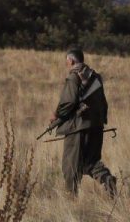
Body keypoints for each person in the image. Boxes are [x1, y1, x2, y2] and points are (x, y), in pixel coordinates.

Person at [49, 49, 117, 197]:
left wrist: (56, 115)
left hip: (77, 129)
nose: (66, 63)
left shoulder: (74, 77)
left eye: (67, 60)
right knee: (91, 162)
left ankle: (71, 199)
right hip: (96, 127)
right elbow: (103, 103)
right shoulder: (96, 77)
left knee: (70, 165)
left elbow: (68, 102)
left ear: (72, 61)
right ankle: (107, 179)